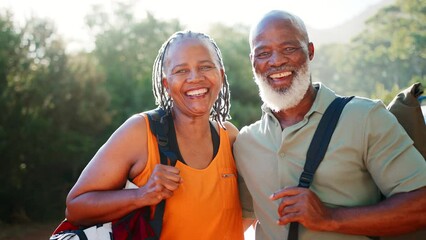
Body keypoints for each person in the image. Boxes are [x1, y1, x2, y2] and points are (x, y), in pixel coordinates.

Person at [233, 10, 426, 240]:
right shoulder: (245, 143)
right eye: (264, 53)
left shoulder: (365, 118)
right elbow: (240, 221)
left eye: (289, 49)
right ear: (253, 61)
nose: (276, 61)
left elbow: (421, 205)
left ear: (310, 51)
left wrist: (330, 218)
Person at [65, 30, 244, 240]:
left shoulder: (230, 137)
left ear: (221, 76)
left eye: (205, 67)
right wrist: (141, 195)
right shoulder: (140, 132)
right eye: (181, 70)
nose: (195, 78)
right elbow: (76, 208)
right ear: (166, 85)